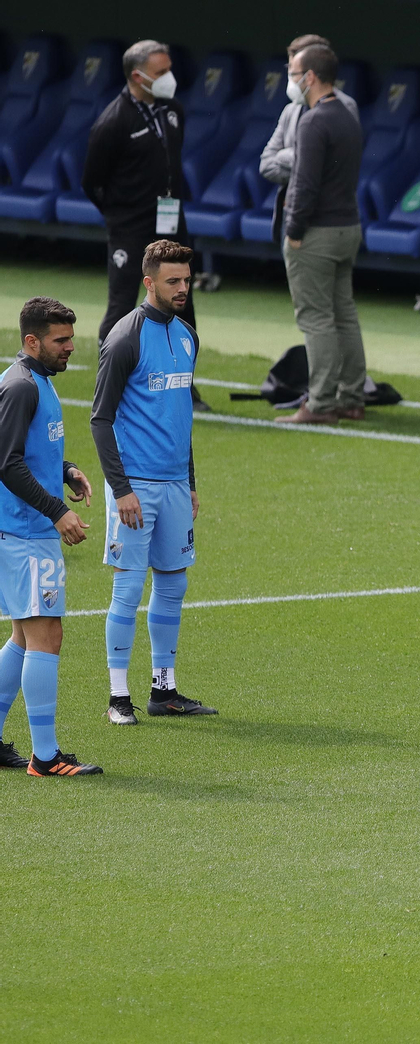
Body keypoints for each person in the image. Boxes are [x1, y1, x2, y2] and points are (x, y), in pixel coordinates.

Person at [93, 239, 215, 723]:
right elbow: (100, 420)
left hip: (173, 485)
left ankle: (163, 691)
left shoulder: (187, 335)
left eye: (187, 280)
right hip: (135, 485)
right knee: (128, 588)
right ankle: (117, 697)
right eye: (173, 281)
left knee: (173, 584)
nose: (183, 288)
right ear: (149, 282)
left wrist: (189, 481)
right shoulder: (126, 337)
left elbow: (180, 416)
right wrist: (120, 489)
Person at [0, 298, 100, 776]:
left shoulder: (36, 381)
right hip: (25, 531)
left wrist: (65, 470)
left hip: (22, 529)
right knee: (47, 635)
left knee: (22, 636)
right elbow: (6, 463)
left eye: (70, 339)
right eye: (61, 341)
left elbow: (28, 452)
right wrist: (57, 511)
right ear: (32, 341)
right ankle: (45, 756)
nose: (70, 348)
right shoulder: (21, 387)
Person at [80, 40, 207, 410]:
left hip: (170, 222)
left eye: (169, 69)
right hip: (130, 226)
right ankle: (112, 387)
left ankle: (184, 385)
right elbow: (92, 181)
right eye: (161, 72)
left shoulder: (172, 110)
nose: (169, 78)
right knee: (121, 304)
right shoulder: (113, 121)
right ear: (137, 76)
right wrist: (120, 215)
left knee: (182, 301)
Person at [276, 43, 367, 426]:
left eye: (294, 71)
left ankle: (321, 402)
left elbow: (304, 184)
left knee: (316, 319)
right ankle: (351, 396)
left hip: (318, 232)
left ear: (310, 76)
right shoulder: (347, 114)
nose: (291, 78)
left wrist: (294, 230)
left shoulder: (314, 120)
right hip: (348, 226)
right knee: (343, 314)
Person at [258, 35, 362, 241]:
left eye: (295, 70)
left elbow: (334, 166)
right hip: (292, 212)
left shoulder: (344, 108)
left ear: (311, 72)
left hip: (325, 221)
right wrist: (305, 165)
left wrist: (288, 158)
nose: (290, 76)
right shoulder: (291, 109)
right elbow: (266, 164)